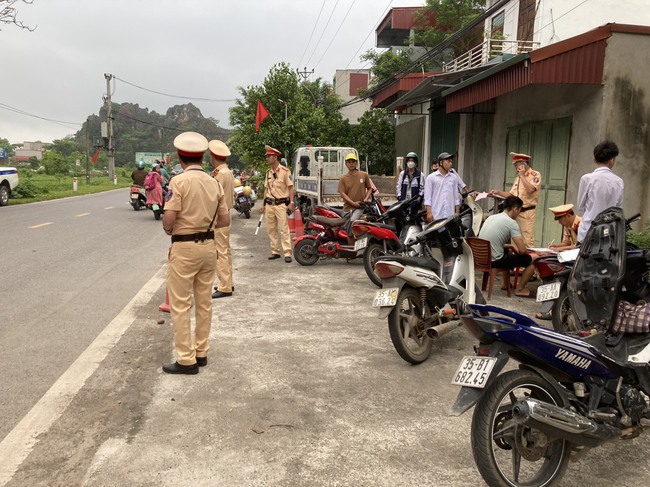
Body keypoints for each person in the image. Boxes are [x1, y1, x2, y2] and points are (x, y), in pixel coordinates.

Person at [161, 131, 230, 375]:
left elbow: (169, 218)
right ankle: (201, 353)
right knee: (204, 302)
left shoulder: (178, 182)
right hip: (209, 248)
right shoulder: (214, 182)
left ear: (180, 158)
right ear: (202, 157)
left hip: (184, 247)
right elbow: (224, 220)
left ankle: (186, 360)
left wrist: (170, 227)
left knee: (180, 305)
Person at [479, 195, 538, 297]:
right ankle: (520, 289)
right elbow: (522, 251)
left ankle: (505, 284)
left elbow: (491, 242)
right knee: (534, 259)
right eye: (519, 210)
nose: (519, 213)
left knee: (508, 251)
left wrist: (510, 246)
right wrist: (522, 251)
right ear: (515, 209)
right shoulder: (511, 223)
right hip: (494, 261)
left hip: (481, 259)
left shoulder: (491, 217)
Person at [490, 153, 542, 248]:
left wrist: (522, 176)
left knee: (527, 241)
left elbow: (531, 189)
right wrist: (498, 192)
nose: (515, 167)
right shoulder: (518, 177)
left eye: (516, 164)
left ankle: (529, 261)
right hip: (515, 212)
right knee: (515, 240)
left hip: (526, 212)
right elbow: (512, 194)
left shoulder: (535, 175)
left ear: (523, 164)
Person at [576, 141, 624, 243]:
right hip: (608, 232)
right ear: (612, 160)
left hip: (587, 230)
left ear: (594, 160)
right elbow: (617, 208)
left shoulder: (586, 179)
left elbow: (581, 206)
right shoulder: (619, 181)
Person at [208, 139, 235, 299]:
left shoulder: (220, 174)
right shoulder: (227, 172)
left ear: (213, 157)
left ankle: (225, 286)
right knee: (226, 250)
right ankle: (228, 282)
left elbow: (213, 197)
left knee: (221, 252)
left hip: (219, 217)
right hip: (226, 215)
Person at [261, 145, 295, 263]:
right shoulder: (268, 173)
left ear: (275, 157)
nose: (267, 158)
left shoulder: (285, 171)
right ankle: (275, 251)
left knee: (284, 229)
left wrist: (291, 202)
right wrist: (263, 204)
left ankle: (287, 252)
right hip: (270, 204)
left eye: (269, 156)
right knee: (271, 229)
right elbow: (266, 189)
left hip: (281, 204)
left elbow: (290, 188)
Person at [338, 152, 373, 244]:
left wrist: (365, 200)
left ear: (356, 163)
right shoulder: (343, 178)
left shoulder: (363, 175)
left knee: (354, 222)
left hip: (359, 207)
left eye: (353, 161)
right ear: (346, 164)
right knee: (348, 232)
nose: (351, 164)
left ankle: (359, 248)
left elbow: (369, 189)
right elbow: (342, 193)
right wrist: (352, 203)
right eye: (349, 162)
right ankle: (351, 252)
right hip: (347, 208)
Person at [423, 152, 461, 222]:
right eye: (448, 161)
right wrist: (429, 213)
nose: (450, 163)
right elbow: (428, 198)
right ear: (441, 163)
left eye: (451, 162)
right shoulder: (431, 178)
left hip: (450, 215)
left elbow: (456, 197)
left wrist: (457, 213)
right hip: (436, 215)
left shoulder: (453, 178)